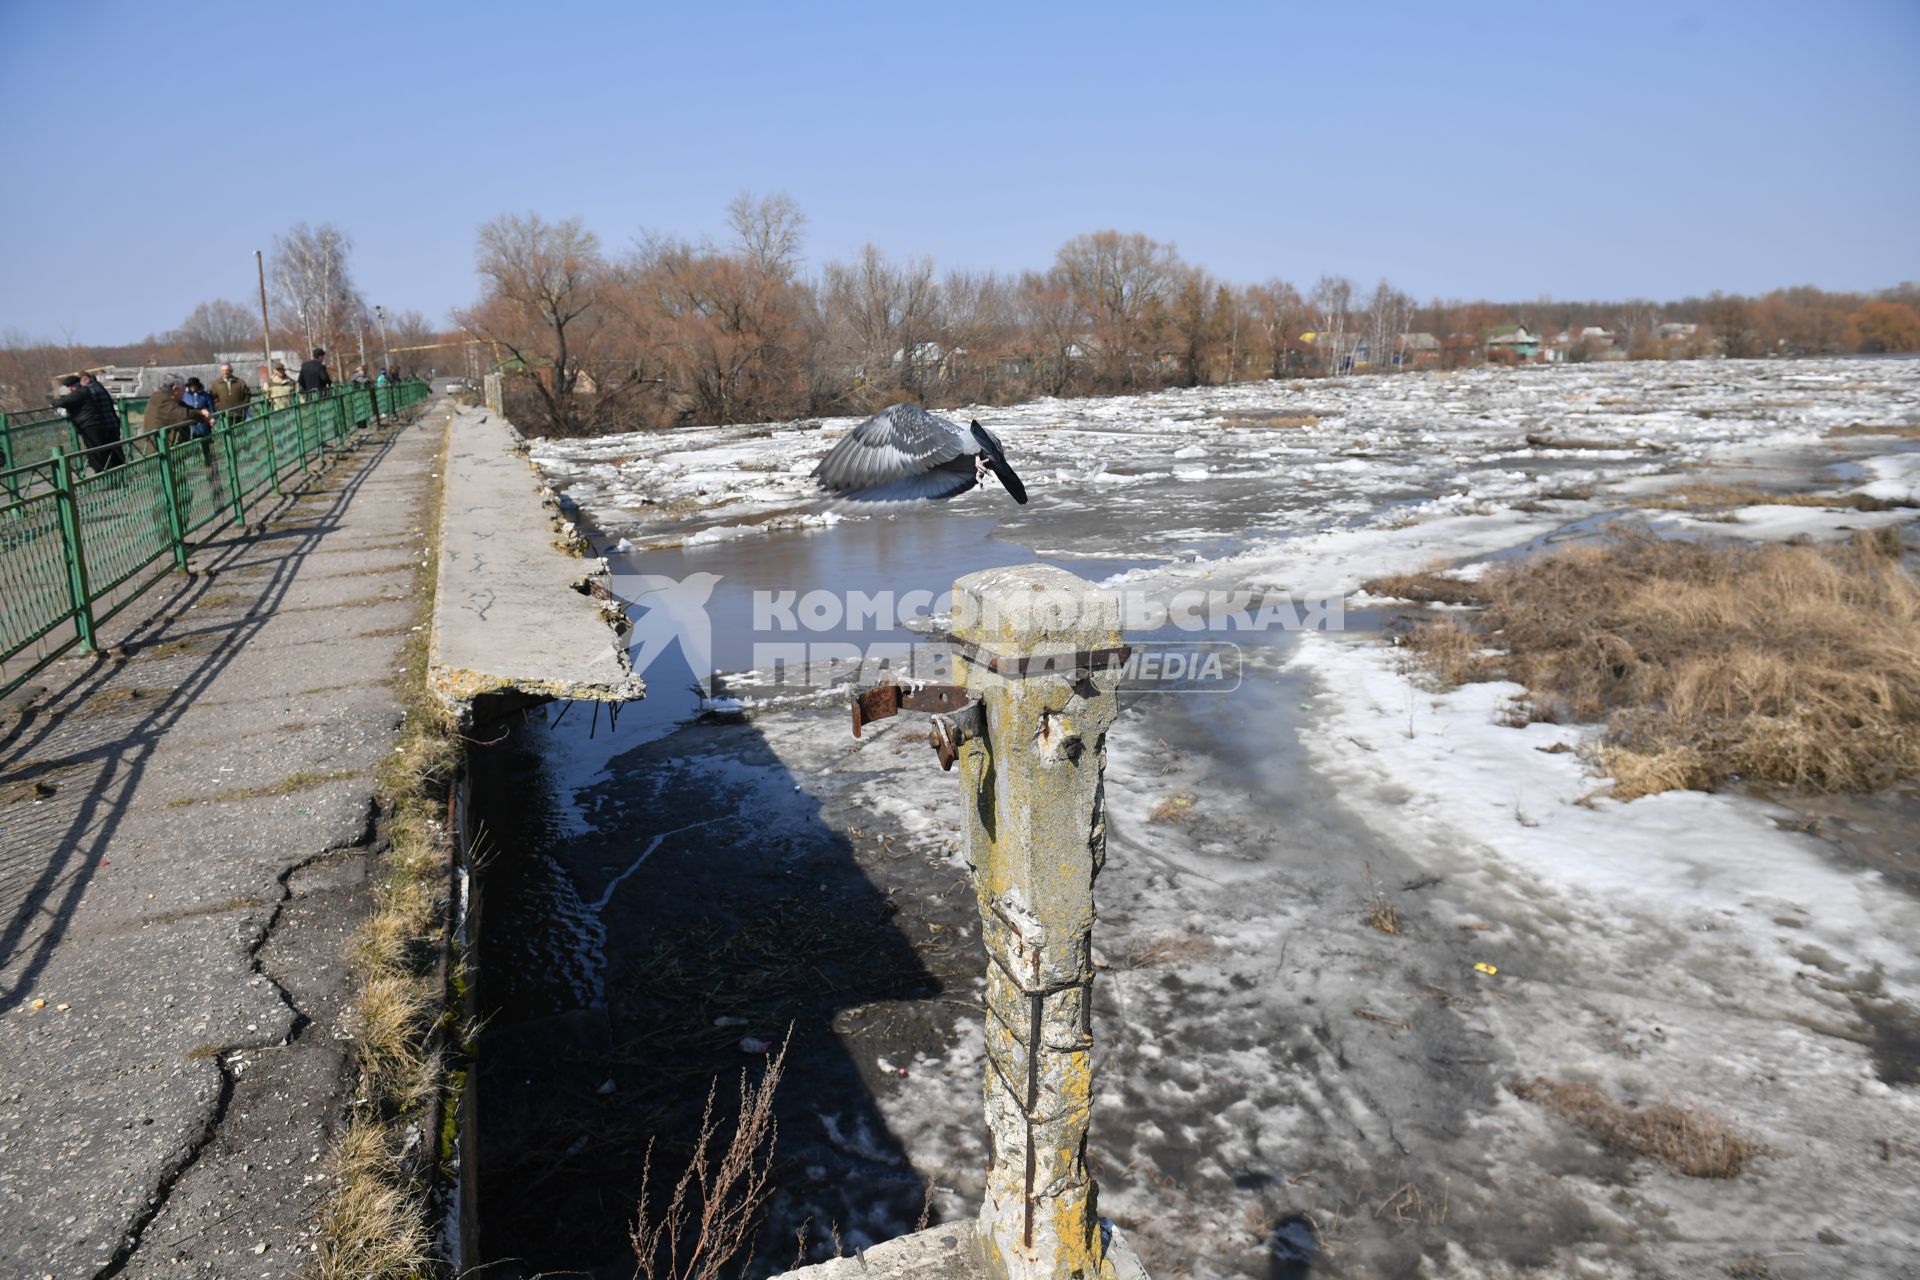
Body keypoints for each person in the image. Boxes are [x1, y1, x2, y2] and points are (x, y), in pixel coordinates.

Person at [53, 374, 124, 472]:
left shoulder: (81, 392)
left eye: (70, 387)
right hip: (95, 424)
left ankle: (106, 474)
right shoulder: (92, 389)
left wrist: (53, 402)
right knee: (104, 451)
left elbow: (63, 402)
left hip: (90, 425)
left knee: (97, 453)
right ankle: (114, 473)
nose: (70, 389)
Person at [142, 376, 211, 451]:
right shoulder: (162, 401)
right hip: (160, 452)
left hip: (165, 448)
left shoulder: (164, 397)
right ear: (175, 389)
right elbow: (184, 415)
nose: (184, 393)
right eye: (183, 390)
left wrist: (200, 411)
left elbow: (184, 407)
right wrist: (201, 415)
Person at [181, 377, 217, 463]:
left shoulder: (205, 396)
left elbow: (212, 409)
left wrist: (212, 418)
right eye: (191, 386)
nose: (193, 387)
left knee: (206, 444)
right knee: (189, 445)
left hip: (204, 425)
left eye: (194, 385)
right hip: (190, 426)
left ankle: (208, 461)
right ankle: (194, 461)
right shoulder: (184, 396)